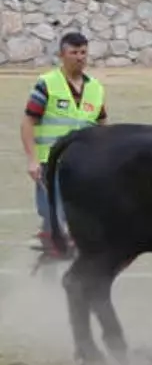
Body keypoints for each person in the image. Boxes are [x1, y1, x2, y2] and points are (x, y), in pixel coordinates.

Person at [20, 32, 108, 256]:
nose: (80, 57)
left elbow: (102, 125)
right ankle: (49, 268)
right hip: (50, 164)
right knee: (54, 219)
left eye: (83, 53)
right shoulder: (47, 84)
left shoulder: (96, 88)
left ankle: (68, 263)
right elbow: (28, 122)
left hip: (83, 167)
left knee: (81, 220)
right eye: (74, 53)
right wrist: (32, 160)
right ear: (62, 55)